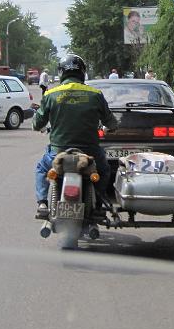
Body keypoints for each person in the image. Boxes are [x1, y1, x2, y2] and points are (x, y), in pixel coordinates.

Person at [32, 55, 118, 219]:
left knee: (42, 168)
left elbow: (37, 123)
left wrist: (38, 124)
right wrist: (111, 127)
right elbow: (111, 122)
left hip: (58, 153)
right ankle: (99, 204)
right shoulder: (95, 94)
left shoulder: (51, 94)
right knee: (105, 170)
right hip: (90, 153)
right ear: (82, 73)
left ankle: (42, 203)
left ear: (61, 73)